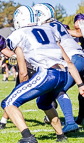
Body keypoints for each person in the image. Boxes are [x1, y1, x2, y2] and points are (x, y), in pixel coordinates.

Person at [2, 5, 84, 142]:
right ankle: (61, 136)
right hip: (63, 73)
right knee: (44, 103)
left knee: (8, 103)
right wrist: (80, 85)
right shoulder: (49, 30)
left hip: (47, 73)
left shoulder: (18, 35)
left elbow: (23, 71)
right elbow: (68, 62)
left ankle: (28, 138)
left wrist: (22, 86)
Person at [33, 3, 84, 133]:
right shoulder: (57, 24)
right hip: (79, 58)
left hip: (73, 59)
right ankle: (71, 122)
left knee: (58, 89)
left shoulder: (45, 28)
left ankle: (70, 122)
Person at [67, 13, 84, 125]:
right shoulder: (73, 35)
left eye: (81, 21)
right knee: (81, 94)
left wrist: (63, 31)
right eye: (78, 21)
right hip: (80, 67)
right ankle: (80, 117)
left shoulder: (81, 32)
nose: (79, 23)